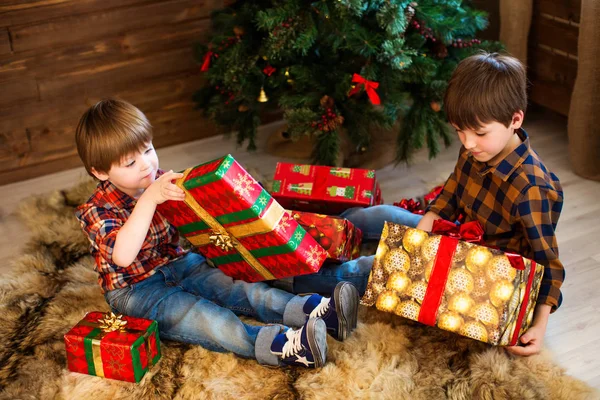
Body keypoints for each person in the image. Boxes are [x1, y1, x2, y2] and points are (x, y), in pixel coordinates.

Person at [74, 98, 360, 369]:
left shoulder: (160, 179)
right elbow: (123, 256)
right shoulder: (95, 210)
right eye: (130, 163)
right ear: (100, 172)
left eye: (148, 150)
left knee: (237, 288)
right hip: (135, 290)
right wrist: (149, 199)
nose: (147, 165)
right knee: (201, 316)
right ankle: (283, 346)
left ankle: (316, 312)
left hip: (181, 263)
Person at [416, 52, 564, 356]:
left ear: (515, 119)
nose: (468, 143)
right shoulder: (473, 150)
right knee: (384, 219)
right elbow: (452, 191)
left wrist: (539, 325)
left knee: (372, 267)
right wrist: (428, 219)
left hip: (491, 279)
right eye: (459, 130)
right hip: (464, 241)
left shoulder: (531, 189)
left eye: (479, 133)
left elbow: (548, 263)